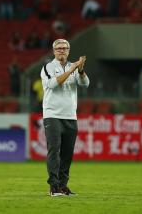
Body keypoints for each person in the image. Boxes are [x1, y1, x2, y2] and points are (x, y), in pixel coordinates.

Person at [40, 39, 90, 196]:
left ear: (68, 51)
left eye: (64, 48)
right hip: (52, 114)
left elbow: (85, 84)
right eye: (58, 48)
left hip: (70, 115)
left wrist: (80, 70)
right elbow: (53, 84)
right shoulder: (48, 67)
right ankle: (53, 187)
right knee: (54, 150)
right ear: (54, 51)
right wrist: (72, 69)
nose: (61, 50)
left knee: (67, 153)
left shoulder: (73, 68)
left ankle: (63, 185)